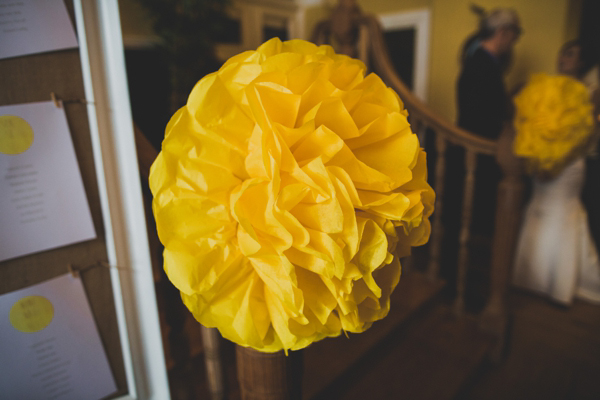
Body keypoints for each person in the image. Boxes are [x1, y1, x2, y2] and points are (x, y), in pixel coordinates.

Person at [512, 41, 600, 305]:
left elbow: (589, 135)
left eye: (571, 54)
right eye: (563, 52)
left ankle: (559, 282)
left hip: (571, 163)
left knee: (561, 211)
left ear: (583, 62)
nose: (563, 58)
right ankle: (530, 277)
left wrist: (558, 163)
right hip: (542, 159)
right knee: (539, 208)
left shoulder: (591, 92)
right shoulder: (545, 88)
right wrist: (539, 158)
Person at [457, 7, 522, 140]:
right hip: (477, 145)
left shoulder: (482, 60)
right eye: (516, 32)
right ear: (502, 31)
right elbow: (478, 115)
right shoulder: (480, 65)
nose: (516, 39)